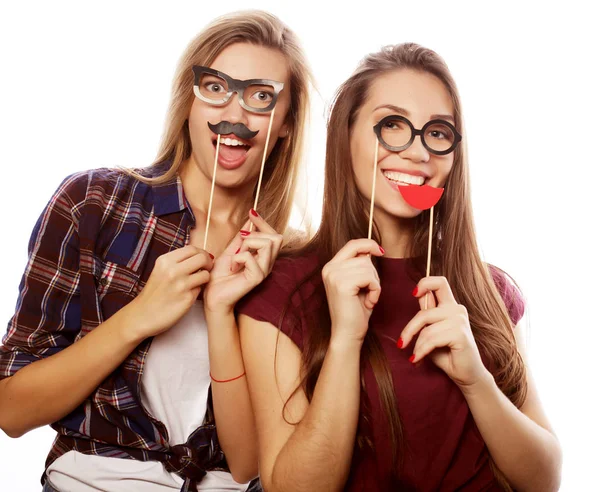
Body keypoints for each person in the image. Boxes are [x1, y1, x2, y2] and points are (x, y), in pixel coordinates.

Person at [0, 9, 312, 492]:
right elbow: (11, 410)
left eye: (261, 97)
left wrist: (220, 313)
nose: (235, 114)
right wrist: (139, 316)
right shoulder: (94, 204)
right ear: (189, 98)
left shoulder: (289, 264)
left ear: (287, 122)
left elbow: (249, 463)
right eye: (215, 87)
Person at [237, 43, 562, 491]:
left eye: (439, 132)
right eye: (392, 125)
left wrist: (476, 380)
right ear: (345, 134)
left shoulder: (490, 290)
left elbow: (544, 481)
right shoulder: (281, 291)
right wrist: (346, 341)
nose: (417, 152)